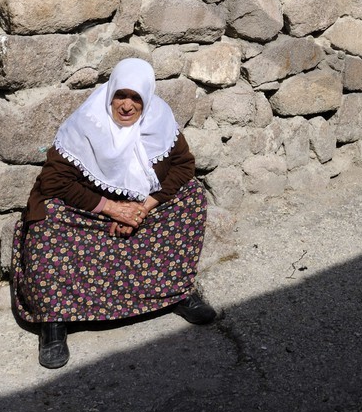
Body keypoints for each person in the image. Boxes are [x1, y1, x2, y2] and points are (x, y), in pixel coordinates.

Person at [12, 56, 217, 369]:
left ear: (147, 99)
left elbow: (184, 166)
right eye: (121, 95)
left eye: (136, 98)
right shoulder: (87, 123)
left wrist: (142, 208)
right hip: (91, 213)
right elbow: (53, 181)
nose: (127, 106)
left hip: (139, 209)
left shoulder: (159, 120)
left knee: (190, 197)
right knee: (47, 216)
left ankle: (176, 291)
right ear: (110, 95)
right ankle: (53, 321)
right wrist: (111, 209)